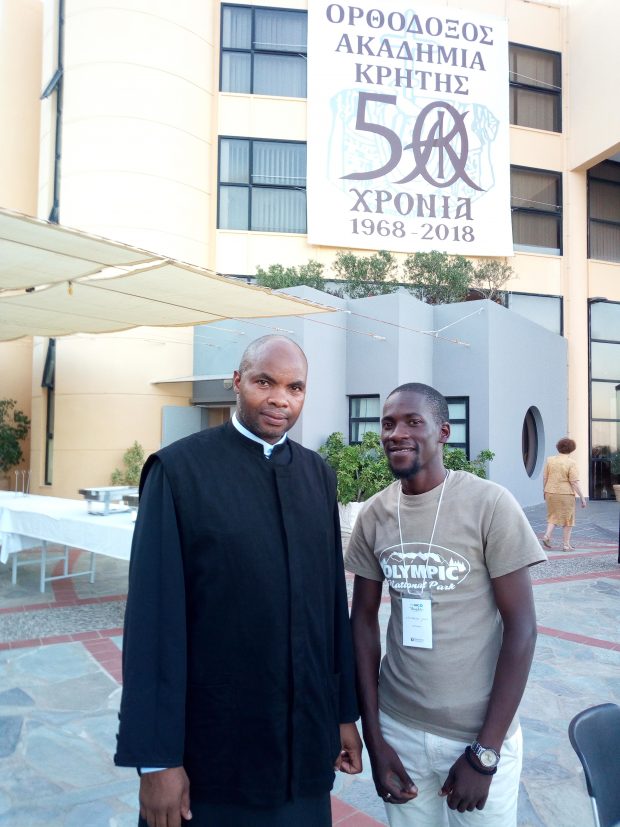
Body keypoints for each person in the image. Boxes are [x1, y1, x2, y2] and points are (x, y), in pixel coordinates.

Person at [115, 335, 362, 827]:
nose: (280, 399)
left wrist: (342, 714)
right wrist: (157, 759)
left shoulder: (318, 475)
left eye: (294, 388)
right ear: (236, 381)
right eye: (264, 382)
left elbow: (332, 607)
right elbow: (153, 620)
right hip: (214, 751)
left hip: (302, 749)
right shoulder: (178, 471)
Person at [345, 382, 546, 827]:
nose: (397, 433)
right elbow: (362, 624)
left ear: (443, 432)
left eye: (413, 422)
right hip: (398, 727)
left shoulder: (489, 504)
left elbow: (522, 628)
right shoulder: (375, 515)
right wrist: (375, 739)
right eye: (388, 424)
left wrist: (486, 752)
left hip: (476, 733)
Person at [542, 437, 587, 551]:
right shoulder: (571, 463)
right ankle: (566, 545)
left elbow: (545, 477)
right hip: (565, 493)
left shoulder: (550, 460)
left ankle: (547, 536)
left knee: (553, 515)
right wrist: (582, 498)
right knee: (568, 519)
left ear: (559, 447)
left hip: (550, 491)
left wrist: (544, 490)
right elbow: (574, 482)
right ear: (571, 449)